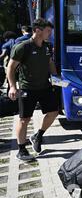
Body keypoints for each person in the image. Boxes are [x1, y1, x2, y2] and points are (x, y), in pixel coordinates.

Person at [6, 19, 59, 161]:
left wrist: (55, 77)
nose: (50, 34)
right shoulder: (23, 47)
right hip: (27, 88)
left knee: (54, 112)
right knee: (24, 119)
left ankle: (38, 135)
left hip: (45, 86)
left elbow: (50, 62)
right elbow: (10, 67)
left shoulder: (47, 46)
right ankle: (21, 150)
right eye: (48, 31)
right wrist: (12, 86)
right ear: (37, 30)